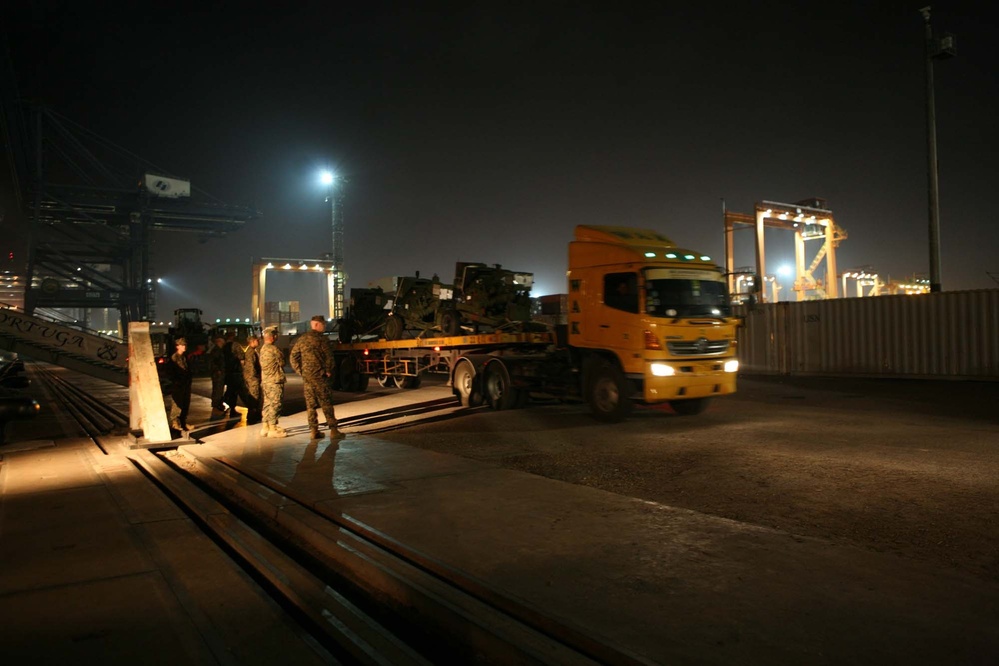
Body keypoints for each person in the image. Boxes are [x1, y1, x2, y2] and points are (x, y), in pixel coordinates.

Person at [290, 315, 344, 440]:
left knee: (310, 405)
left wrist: (301, 371)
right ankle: (334, 430)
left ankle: (314, 430)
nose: (324, 327)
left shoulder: (302, 339)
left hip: (308, 378)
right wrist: (328, 370)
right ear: (316, 325)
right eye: (323, 324)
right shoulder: (322, 339)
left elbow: (293, 357)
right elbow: (329, 357)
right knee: (326, 403)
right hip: (321, 377)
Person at [258, 328, 287, 438]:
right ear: (273, 337)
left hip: (265, 380)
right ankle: (273, 428)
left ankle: (265, 426)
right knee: (276, 403)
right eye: (275, 335)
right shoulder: (274, 349)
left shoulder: (262, 349)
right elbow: (282, 362)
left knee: (267, 403)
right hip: (275, 380)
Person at [167, 337, 192, 432]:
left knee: (185, 403)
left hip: (185, 384)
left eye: (185, 345)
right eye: (182, 345)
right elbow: (173, 371)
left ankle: (183, 422)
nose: (184, 347)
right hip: (178, 384)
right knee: (177, 403)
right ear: (178, 346)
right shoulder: (175, 357)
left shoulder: (184, 357)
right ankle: (175, 422)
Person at [241, 335, 263, 423]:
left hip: (252, 378)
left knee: (255, 397)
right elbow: (250, 367)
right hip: (252, 379)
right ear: (253, 341)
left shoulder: (253, 351)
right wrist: (254, 379)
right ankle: (252, 417)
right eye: (257, 340)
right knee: (254, 397)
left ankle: (254, 415)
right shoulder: (250, 352)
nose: (258, 341)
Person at [207, 335, 226, 412]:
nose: (223, 343)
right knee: (217, 389)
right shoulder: (216, 351)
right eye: (222, 342)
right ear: (219, 342)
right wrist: (218, 370)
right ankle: (216, 404)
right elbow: (213, 362)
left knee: (218, 389)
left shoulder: (218, 350)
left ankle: (218, 403)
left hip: (218, 373)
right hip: (217, 374)